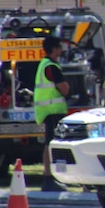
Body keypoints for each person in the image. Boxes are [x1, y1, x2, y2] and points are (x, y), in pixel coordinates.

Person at [35, 35, 70, 192]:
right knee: (51, 145)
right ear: (54, 49)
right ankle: (49, 179)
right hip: (53, 111)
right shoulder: (51, 66)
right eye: (59, 47)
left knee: (49, 144)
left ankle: (51, 178)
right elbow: (63, 88)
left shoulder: (44, 64)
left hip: (48, 111)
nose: (61, 50)